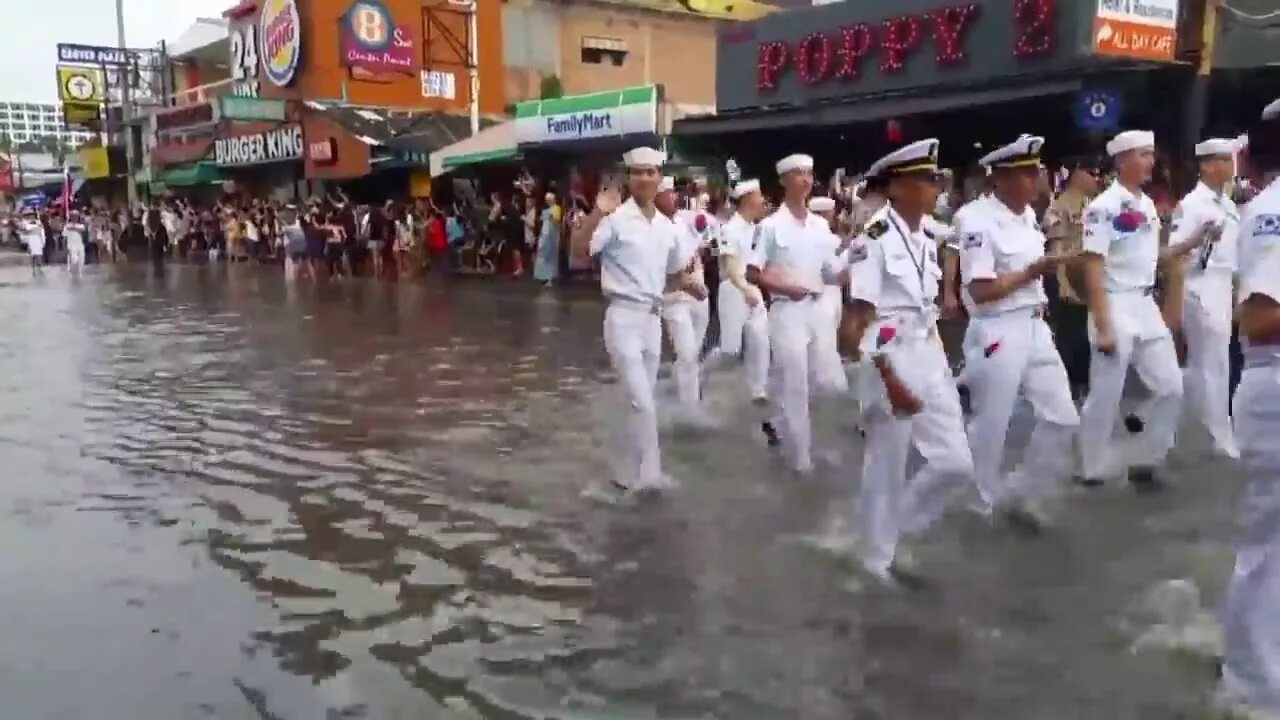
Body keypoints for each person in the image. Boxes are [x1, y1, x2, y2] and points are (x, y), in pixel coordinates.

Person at [844, 138, 974, 581]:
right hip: (888, 355)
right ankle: (875, 561)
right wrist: (888, 377)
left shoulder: (925, 234)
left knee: (957, 463)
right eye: (923, 178)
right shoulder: (874, 238)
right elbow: (862, 320)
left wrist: (938, 361)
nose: (933, 186)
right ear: (896, 187)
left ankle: (894, 530)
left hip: (927, 352)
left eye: (935, 178)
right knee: (887, 463)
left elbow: (926, 306)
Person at [955, 136, 1079, 527]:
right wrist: (1032, 271)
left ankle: (1019, 492)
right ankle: (977, 504)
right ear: (1003, 178)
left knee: (1062, 416)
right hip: (997, 328)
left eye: (1036, 171)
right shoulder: (976, 220)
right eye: (1027, 173)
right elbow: (981, 290)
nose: (1037, 179)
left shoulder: (1028, 216)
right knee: (992, 422)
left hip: (1034, 324)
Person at [568, 147, 704, 492]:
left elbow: (672, 274)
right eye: (638, 172)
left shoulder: (666, 226)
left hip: (652, 320)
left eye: (651, 172)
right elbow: (577, 255)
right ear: (629, 178)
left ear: (659, 179)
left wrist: (690, 285)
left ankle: (626, 468)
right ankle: (651, 476)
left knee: (640, 399)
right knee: (642, 401)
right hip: (623, 318)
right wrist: (597, 213)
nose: (645, 178)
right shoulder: (615, 219)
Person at [1077, 130, 1187, 489]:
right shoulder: (1103, 207)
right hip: (1114, 301)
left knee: (1171, 385)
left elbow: (1154, 256)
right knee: (1106, 392)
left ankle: (1146, 457)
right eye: (1142, 154)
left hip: (1144, 303)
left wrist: (1196, 240)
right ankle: (1092, 463)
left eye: (1151, 154)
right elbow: (1092, 264)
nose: (1150, 162)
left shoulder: (1147, 205)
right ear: (1122, 160)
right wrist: (1103, 324)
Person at [1218, 95, 1280, 719]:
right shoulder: (1276, 210)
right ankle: (1251, 689)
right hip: (1276, 386)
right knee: (1269, 550)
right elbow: (1261, 317)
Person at [751, 153, 846, 474]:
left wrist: (856, 265)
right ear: (783, 181)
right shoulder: (769, 227)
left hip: (818, 310)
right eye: (798, 174)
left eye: (809, 174)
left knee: (829, 383)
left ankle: (778, 424)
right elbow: (753, 271)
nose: (805, 180)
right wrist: (781, 285)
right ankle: (802, 458)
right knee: (796, 384)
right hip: (786, 311)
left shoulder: (821, 226)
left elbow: (832, 271)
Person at [1169, 137, 1243, 459]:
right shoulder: (1192, 205)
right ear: (1207, 165)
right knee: (1212, 362)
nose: (1230, 166)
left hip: (1224, 284)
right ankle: (1220, 435)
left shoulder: (1225, 203)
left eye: (1231, 160)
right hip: (1200, 285)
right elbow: (1176, 251)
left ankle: (1172, 422)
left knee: (1209, 363)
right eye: (1224, 160)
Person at [1043, 159, 1102, 400]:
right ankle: (1070, 383)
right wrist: (1063, 283)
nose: (1097, 179)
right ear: (1078, 174)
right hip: (1066, 279)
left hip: (1089, 277)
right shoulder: (1060, 206)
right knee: (1071, 335)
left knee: (1089, 334)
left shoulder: (1095, 204)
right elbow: (1055, 247)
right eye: (1092, 173)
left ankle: (1086, 380)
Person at [659, 176, 714, 424]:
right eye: (668, 193)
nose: (674, 197)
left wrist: (703, 250)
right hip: (673, 298)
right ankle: (688, 410)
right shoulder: (652, 227)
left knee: (693, 353)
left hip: (699, 296)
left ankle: (684, 392)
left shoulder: (685, 219)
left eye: (674, 192)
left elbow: (710, 234)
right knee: (687, 352)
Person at [716, 179, 770, 402]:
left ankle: (758, 390)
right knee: (730, 350)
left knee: (760, 341)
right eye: (759, 196)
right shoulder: (729, 229)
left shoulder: (758, 229)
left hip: (752, 291)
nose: (763, 201)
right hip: (733, 291)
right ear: (748, 199)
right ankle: (702, 373)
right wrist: (744, 288)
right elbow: (730, 266)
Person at [808, 195, 850, 395]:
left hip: (831, 296)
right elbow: (838, 275)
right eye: (832, 213)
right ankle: (825, 387)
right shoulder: (824, 238)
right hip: (823, 296)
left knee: (825, 339)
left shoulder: (828, 236)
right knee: (823, 342)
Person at [534, 192, 561, 285]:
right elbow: (541, 222)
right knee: (542, 256)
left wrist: (550, 217)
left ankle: (549, 278)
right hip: (544, 235)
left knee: (550, 257)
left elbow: (556, 221)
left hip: (551, 236)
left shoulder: (556, 208)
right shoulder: (546, 210)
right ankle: (542, 276)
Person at [63, 210, 87, 277]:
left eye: (76, 216)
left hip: (80, 245)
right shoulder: (66, 226)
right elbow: (64, 236)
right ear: (71, 217)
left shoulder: (81, 225)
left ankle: (80, 274)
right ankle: (72, 273)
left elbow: (82, 229)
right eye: (73, 216)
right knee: (74, 260)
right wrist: (65, 247)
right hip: (71, 245)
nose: (75, 218)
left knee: (81, 261)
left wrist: (72, 227)